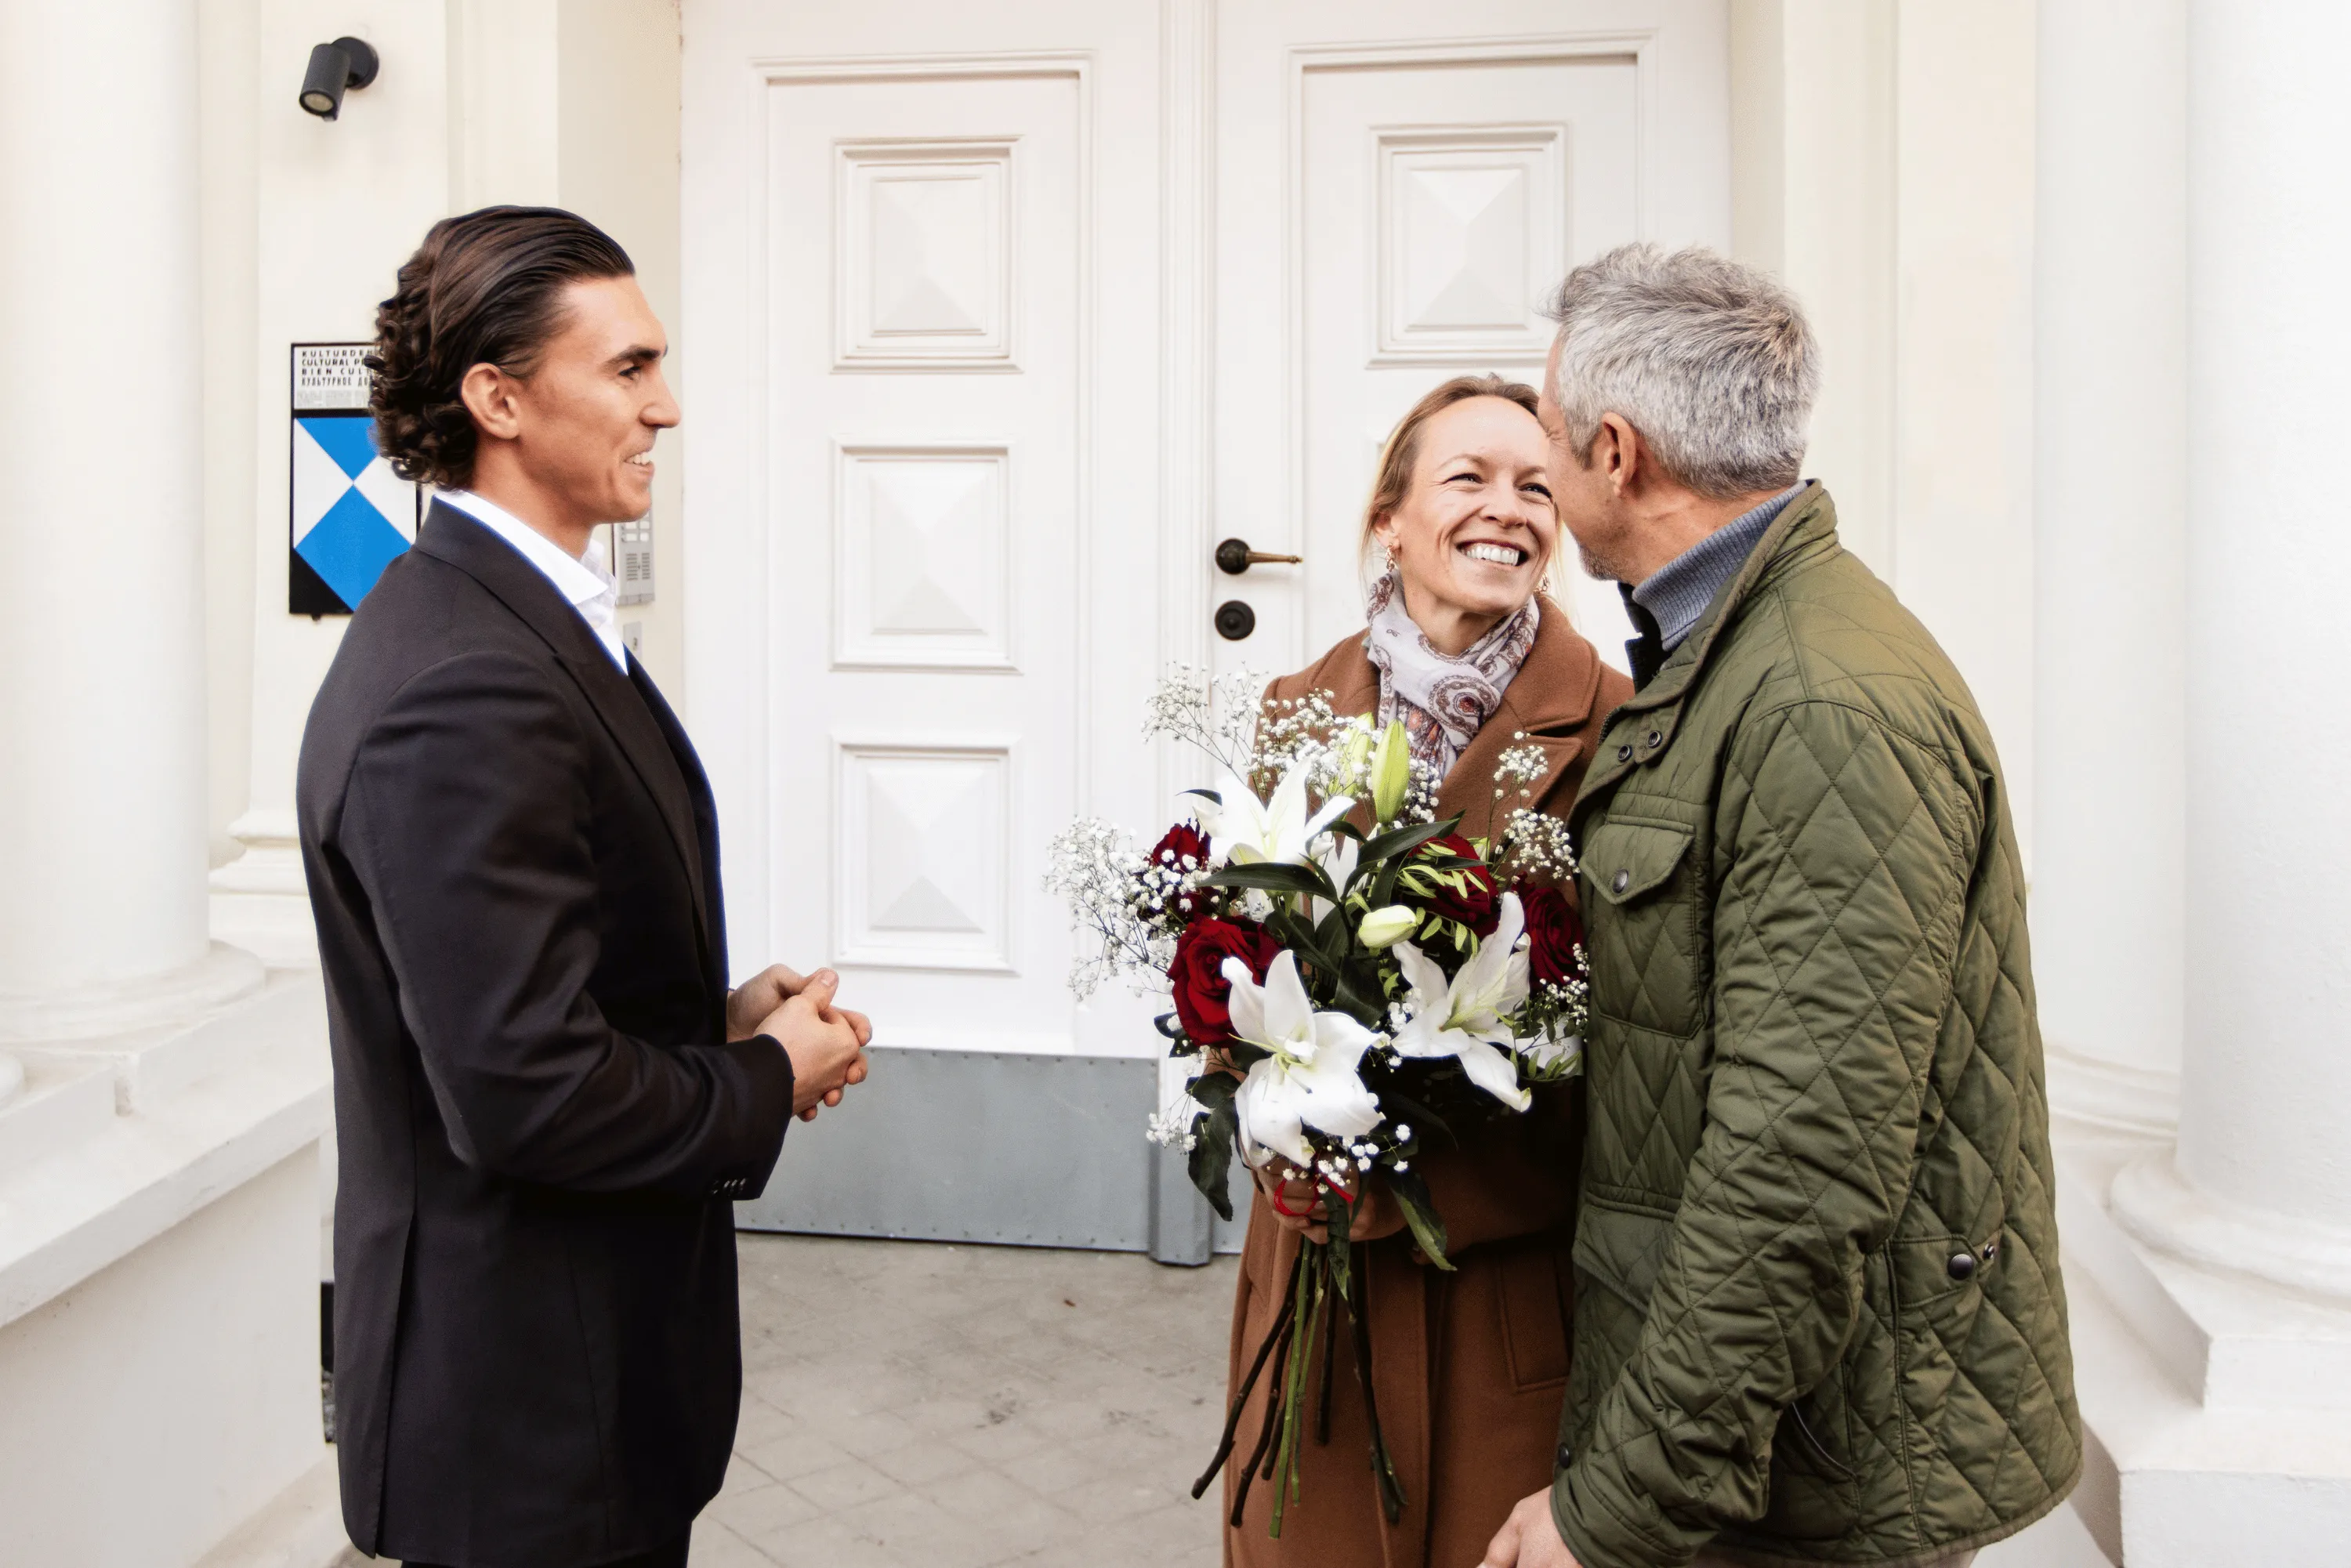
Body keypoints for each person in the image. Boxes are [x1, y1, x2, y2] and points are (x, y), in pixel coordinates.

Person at [1480, 244, 2081, 1568]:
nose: (1543, 476)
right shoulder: (1738, 650)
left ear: (1618, 454)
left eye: (1550, 438)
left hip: (1814, 1473)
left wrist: (1614, 1509)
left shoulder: (1817, 704)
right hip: (1774, 1441)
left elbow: (1799, 1167)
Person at [297, 207, 872, 1568]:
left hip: (584, 1388)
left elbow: (532, 972)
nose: (665, 407)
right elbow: (523, 1090)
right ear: (497, 398)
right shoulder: (463, 680)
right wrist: (763, 1082)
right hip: (524, 1417)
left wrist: (721, 1019)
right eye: (626, 369)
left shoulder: (518, 620)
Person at [1224, 375, 1633, 1568]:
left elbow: (1624, 1036)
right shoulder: (1299, 707)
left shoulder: (1612, 726)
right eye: (1469, 478)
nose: (1508, 509)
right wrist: (1276, 1131)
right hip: (1311, 1281)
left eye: (1537, 486)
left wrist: (1414, 1165)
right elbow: (1237, 969)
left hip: (1493, 1292)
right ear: (1390, 519)